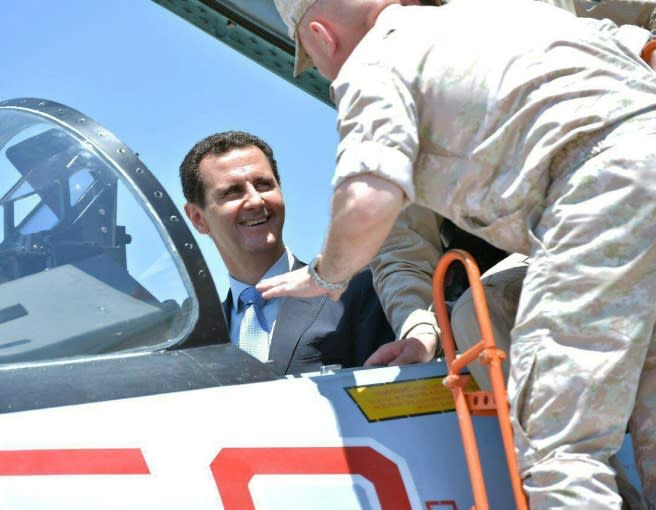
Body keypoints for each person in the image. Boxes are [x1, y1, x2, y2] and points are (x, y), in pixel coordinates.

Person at [259, 0, 656, 506]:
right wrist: (424, 329)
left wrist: (327, 275)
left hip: (600, 197)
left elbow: (367, 201)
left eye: (316, 58)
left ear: (322, 35)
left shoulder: (373, 62)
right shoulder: (501, 15)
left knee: (560, 448)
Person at [179, 130, 394, 375]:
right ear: (198, 218)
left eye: (264, 185)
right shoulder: (198, 339)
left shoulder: (357, 291)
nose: (256, 201)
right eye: (233, 192)